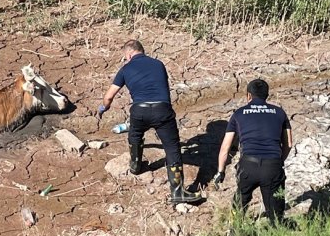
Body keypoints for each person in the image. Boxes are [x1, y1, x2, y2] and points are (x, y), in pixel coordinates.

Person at [97, 40, 201, 204]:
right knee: (172, 147)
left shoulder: (125, 69)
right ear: (142, 51)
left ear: (129, 54)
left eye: (126, 57)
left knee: (135, 135)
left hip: (140, 111)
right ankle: (177, 192)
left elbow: (109, 96)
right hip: (162, 110)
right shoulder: (158, 64)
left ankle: (136, 166)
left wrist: (103, 107)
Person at [213, 79, 292, 224]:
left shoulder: (239, 114)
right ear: (267, 95)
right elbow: (289, 144)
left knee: (240, 202)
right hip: (272, 166)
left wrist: (220, 171)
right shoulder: (280, 113)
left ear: (248, 95)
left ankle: (235, 233)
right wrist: (278, 161)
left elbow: (225, 147)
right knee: (275, 215)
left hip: (248, 166)